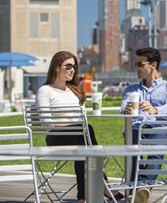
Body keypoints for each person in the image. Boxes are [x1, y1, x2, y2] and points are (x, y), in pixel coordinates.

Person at [35, 51, 124, 203]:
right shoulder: (45, 91)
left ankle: (83, 198)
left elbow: (82, 119)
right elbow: (46, 122)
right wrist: (73, 126)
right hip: (56, 139)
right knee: (86, 133)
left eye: (74, 66)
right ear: (56, 67)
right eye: (68, 66)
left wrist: (77, 127)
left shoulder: (76, 91)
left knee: (84, 147)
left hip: (79, 138)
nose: (73, 70)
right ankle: (105, 188)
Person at [120, 47, 167, 203]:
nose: (136, 68)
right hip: (136, 129)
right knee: (132, 141)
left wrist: (155, 110)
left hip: (160, 129)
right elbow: (122, 108)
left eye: (140, 64)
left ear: (153, 65)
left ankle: (139, 189)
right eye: (136, 64)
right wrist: (126, 110)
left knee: (156, 141)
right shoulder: (131, 89)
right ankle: (138, 192)